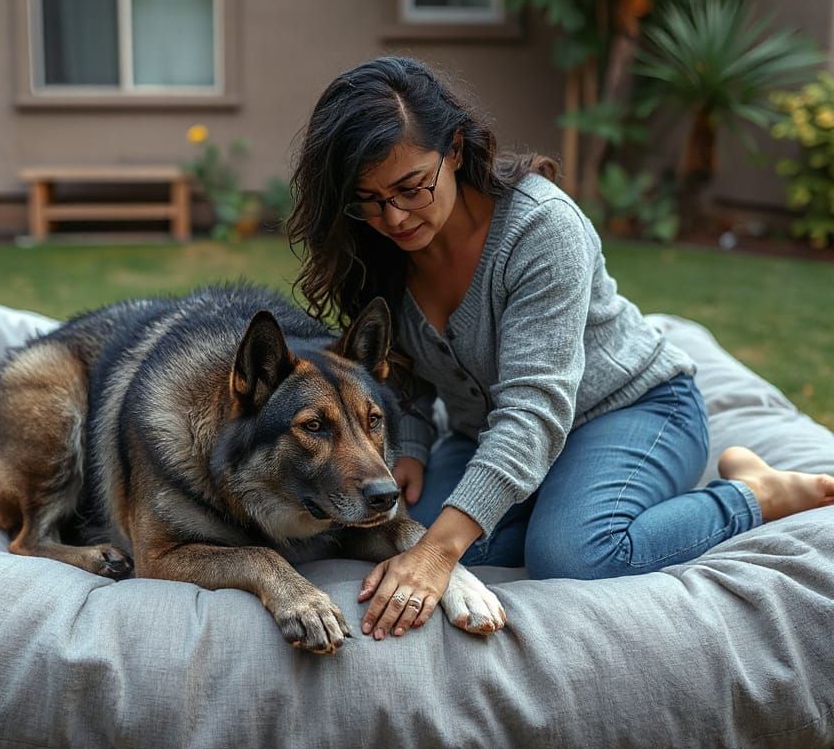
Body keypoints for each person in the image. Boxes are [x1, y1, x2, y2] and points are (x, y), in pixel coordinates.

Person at [286, 56, 834, 642]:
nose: (391, 216)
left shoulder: (541, 227)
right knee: (400, 525)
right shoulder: (380, 248)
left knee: (574, 555)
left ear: (454, 148)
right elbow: (403, 377)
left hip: (630, 411)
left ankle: (751, 492)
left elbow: (535, 410)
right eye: (366, 199)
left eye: (410, 188)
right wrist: (413, 448)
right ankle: (557, 499)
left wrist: (439, 555)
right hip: (490, 431)